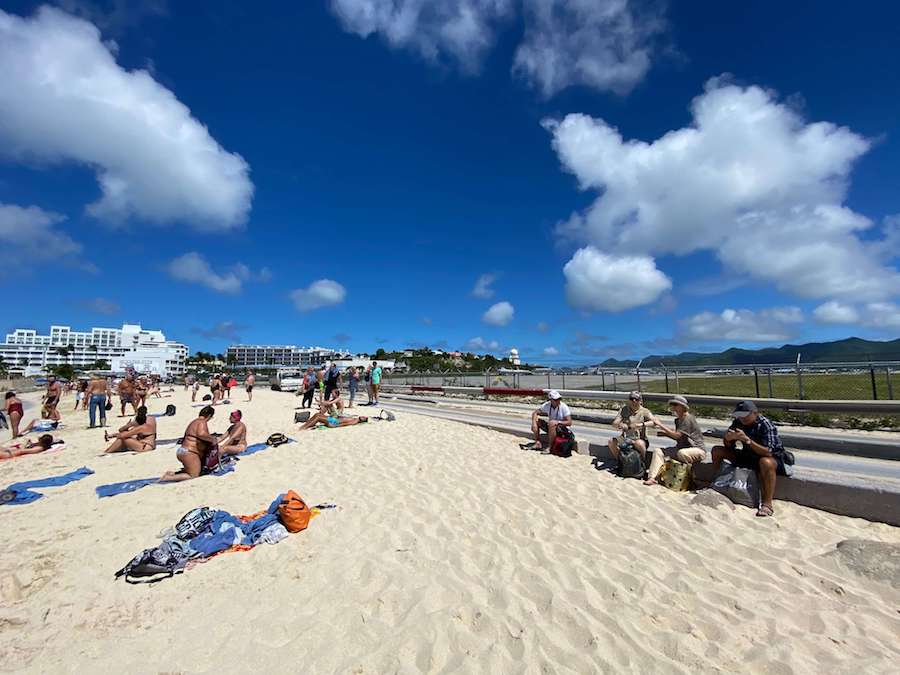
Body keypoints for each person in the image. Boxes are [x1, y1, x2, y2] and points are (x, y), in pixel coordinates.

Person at [711, 400, 789, 518]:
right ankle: (716, 484)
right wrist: (728, 439)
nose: (742, 419)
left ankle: (767, 504)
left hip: (768, 458)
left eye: (745, 416)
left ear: (755, 413)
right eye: (740, 416)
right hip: (748, 455)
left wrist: (747, 440)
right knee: (717, 450)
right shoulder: (738, 422)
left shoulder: (765, 424)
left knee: (766, 462)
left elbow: (769, 451)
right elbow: (729, 446)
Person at [643, 395, 707, 485]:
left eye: (675, 404)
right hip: (681, 448)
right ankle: (652, 477)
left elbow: (677, 436)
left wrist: (660, 424)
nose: (673, 407)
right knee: (658, 451)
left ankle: (689, 477)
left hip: (697, 449)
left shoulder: (688, 419)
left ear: (682, 406)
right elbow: (679, 437)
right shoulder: (678, 420)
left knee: (682, 453)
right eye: (673, 404)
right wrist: (666, 434)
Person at [161, 406, 217, 482]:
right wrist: (213, 439)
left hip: (182, 450)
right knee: (193, 475)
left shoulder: (193, 422)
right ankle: (168, 478)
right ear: (209, 415)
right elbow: (201, 434)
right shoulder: (202, 421)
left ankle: (172, 474)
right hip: (189, 453)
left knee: (190, 470)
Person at [607, 391, 654, 465]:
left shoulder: (645, 411)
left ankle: (641, 463)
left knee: (640, 444)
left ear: (640, 401)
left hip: (640, 438)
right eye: (632, 399)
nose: (634, 401)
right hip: (625, 437)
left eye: (636, 399)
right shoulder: (624, 410)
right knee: (611, 441)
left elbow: (653, 422)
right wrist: (621, 424)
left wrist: (640, 425)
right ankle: (621, 461)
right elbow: (615, 423)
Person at [298, 411, 368, 431]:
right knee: (317, 414)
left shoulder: (355, 421)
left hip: (334, 422)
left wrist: (335, 426)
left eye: (364, 418)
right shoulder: (355, 418)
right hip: (334, 420)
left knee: (318, 417)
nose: (363, 416)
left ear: (363, 420)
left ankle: (304, 427)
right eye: (364, 416)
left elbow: (345, 424)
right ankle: (305, 425)